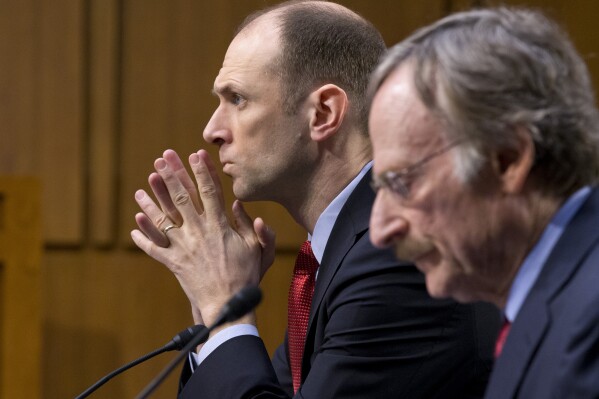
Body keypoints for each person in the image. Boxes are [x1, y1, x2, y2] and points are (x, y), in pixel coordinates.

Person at [131, 1, 499, 398]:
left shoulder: (397, 254)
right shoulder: (341, 249)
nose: (212, 130)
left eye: (237, 99)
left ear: (323, 112)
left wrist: (223, 304)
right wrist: (211, 317)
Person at [368, 6, 599, 399]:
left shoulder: (589, 323)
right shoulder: (548, 298)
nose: (379, 231)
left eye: (401, 183)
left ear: (507, 159)